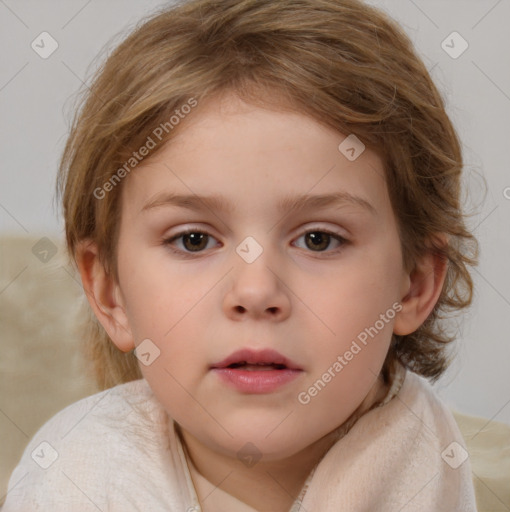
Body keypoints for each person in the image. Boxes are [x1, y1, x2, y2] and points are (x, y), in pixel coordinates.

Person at [2, 0, 480, 510]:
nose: (255, 292)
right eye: (193, 240)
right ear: (109, 291)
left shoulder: (427, 460)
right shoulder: (76, 481)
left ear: (414, 283)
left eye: (319, 239)